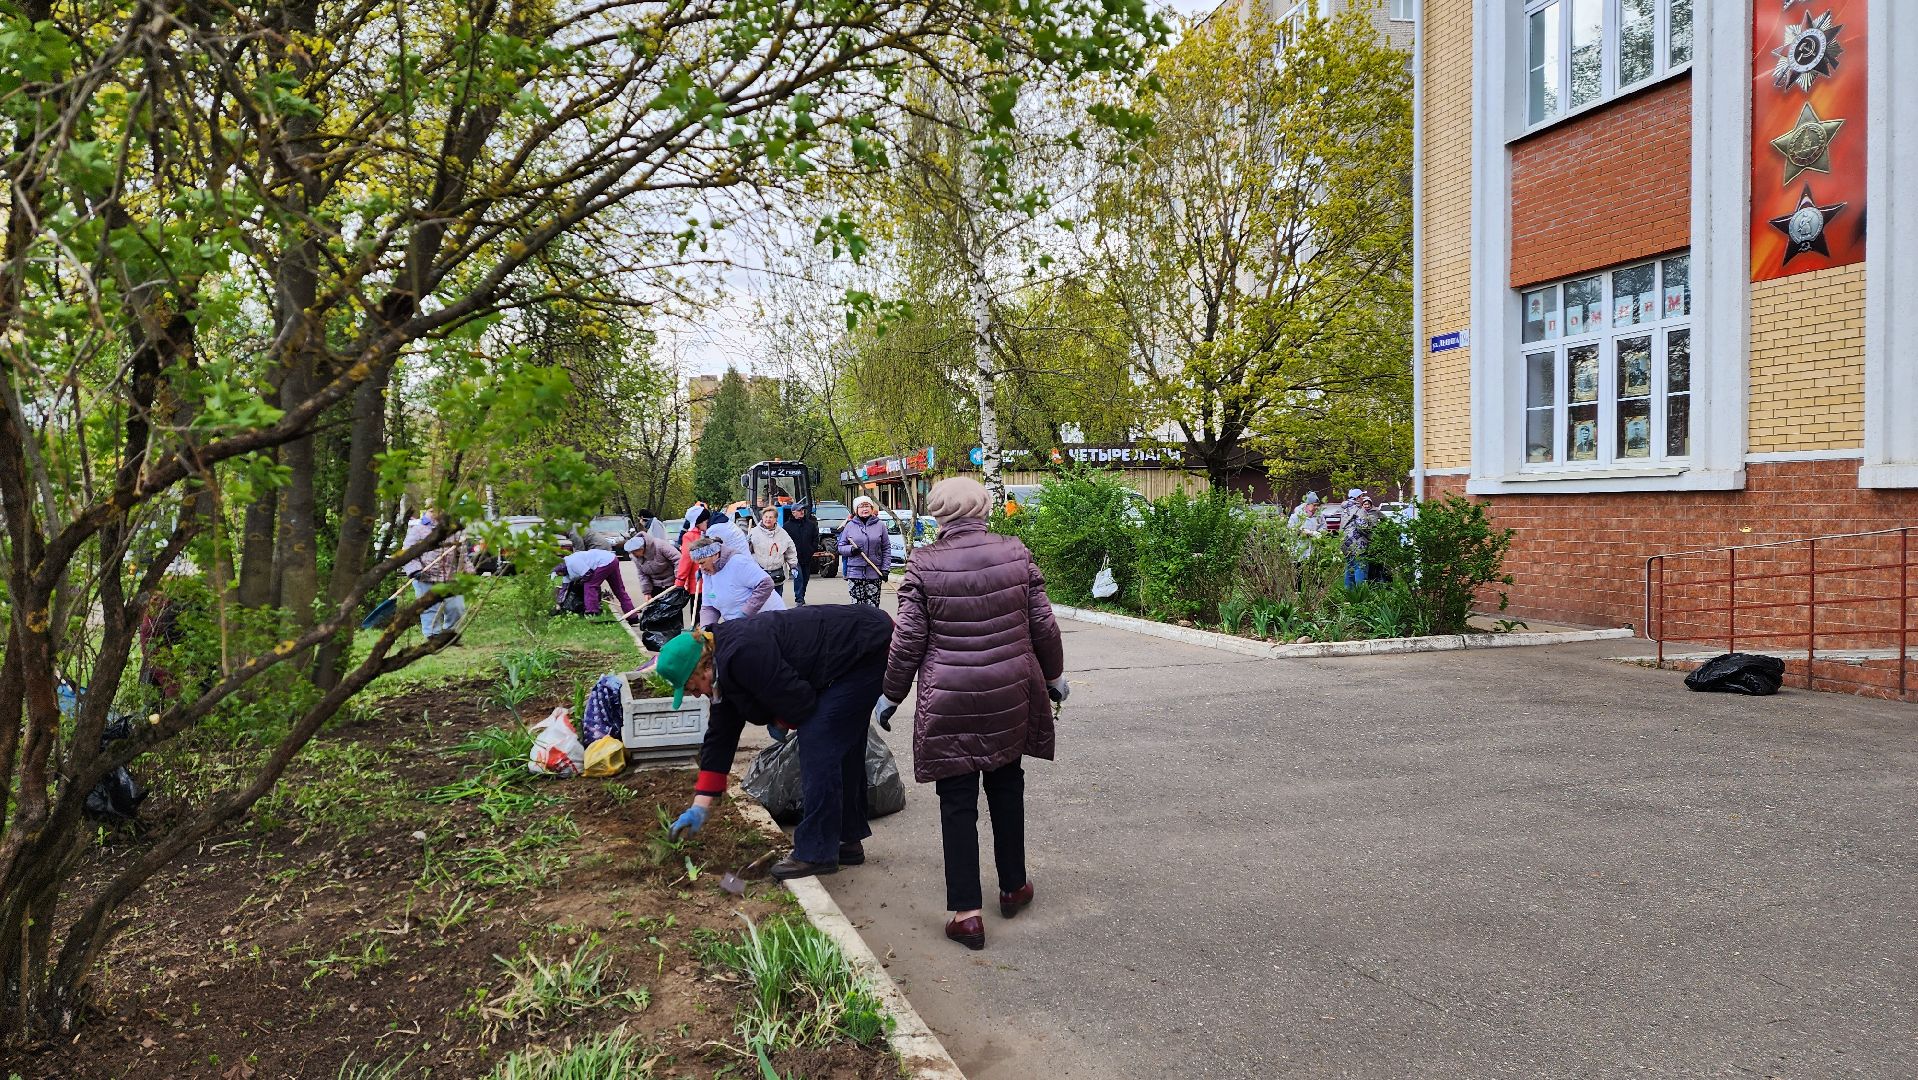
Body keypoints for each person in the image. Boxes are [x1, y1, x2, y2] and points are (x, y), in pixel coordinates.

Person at [873, 477, 1065, 951]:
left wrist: (890, 696)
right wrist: (1056, 677)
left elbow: (907, 641)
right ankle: (1014, 886)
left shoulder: (923, 564)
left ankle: (967, 914)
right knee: (1006, 783)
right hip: (1009, 691)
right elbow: (1043, 623)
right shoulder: (1015, 552)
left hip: (950, 698)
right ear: (982, 509)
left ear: (939, 515)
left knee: (956, 801)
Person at [661, 605, 896, 879]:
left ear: (702, 670)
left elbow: (800, 704)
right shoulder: (723, 664)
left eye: (691, 688)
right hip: (856, 648)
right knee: (838, 742)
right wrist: (700, 805)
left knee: (819, 739)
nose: (695, 696)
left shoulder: (742, 654)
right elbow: (720, 736)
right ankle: (845, 839)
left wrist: (777, 719)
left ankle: (816, 852)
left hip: (867, 648)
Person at [402, 506, 470, 645]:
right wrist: (415, 570)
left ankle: (449, 635)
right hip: (425, 576)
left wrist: (468, 571)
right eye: (433, 510)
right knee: (429, 609)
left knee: (457, 607)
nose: (437, 513)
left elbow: (462, 555)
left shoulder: (451, 530)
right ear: (428, 511)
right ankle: (433, 637)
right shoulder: (418, 529)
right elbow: (407, 553)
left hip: (450, 577)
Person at [691, 535, 786, 627]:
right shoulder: (707, 573)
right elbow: (709, 607)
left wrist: (745, 613)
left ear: (715, 554)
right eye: (698, 564)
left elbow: (766, 583)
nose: (701, 567)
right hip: (739, 626)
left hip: (768, 622)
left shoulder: (738, 562)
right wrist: (706, 629)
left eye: (702, 563)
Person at [554, 544, 640, 622]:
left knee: (590, 586)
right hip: (612, 559)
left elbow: (588, 574)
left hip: (604, 562)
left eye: (558, 573)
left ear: (561, 569)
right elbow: (564, 589)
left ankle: (593, 613)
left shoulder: (573, 562)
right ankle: (632, 617)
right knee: (619, 590)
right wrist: (559, 604)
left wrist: (580, 583)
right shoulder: (566, 571)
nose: (559, 575)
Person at [838, 496, 891, 607]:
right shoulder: (849, 526)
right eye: (861, 506)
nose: (864, 509)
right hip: (855, 573)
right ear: (856, 510)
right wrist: (851, 550)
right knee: (857, 607)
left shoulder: (880, 526)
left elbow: (886, 548)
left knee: (873, 607)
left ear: (872, 508)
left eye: (867, 506)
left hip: (874, 572)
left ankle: (872, 625)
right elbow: (841, 547)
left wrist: (885, 569)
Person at [748, 507, 798, 599]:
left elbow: (790, 551)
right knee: (762, 603)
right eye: (766, 517)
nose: (768, 519)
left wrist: (793, 565)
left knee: (776, 602)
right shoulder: (754, 533)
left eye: (771, 517)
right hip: (760, 575)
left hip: (777, 575)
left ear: (775, 519)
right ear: (762, 518)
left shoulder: (782, 534)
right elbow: (747, 553)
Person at [1341, 490, 1382, 587]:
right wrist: (1372, 536)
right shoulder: (1359, 510)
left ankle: (1349, 595)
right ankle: (1360, 594)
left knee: (1350, 568)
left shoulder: (1345, 509)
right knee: (1360, 567)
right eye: (1362, 496)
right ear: (1357, 497)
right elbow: (1363, 527)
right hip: (1358, 544)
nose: (1363, 498)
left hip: (1346, 544)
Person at [784, 503, 820, 606]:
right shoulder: (787, 527)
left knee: (805, 578)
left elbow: (815, 538)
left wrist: (812, 549)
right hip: (794, 558)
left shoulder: (810, 525)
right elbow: (784, 541)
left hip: (807, 556)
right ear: (793, 512)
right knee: (798, 577)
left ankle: (802, 596)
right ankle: (799, 599)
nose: (802, 512)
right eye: (799, 510)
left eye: (803, 510)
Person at [625, 532, 678, 599]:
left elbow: (678, 559)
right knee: (657, 607)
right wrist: (647, 592)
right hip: (655, 585)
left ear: (642, 548)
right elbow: (642, 574)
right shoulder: (635, 557)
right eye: (631, 553)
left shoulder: (660, 545)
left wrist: (679, 578)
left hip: (672, 582)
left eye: (634, 552)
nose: (633, 555)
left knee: (673, 606)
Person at [676, 507, 712, 593]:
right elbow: (687, 559)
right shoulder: (693, 536)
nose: (707, 522)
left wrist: (680, 582)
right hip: (705, 584)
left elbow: (686, 560)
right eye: (705, 520)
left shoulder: (690, 536)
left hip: (699, 586)